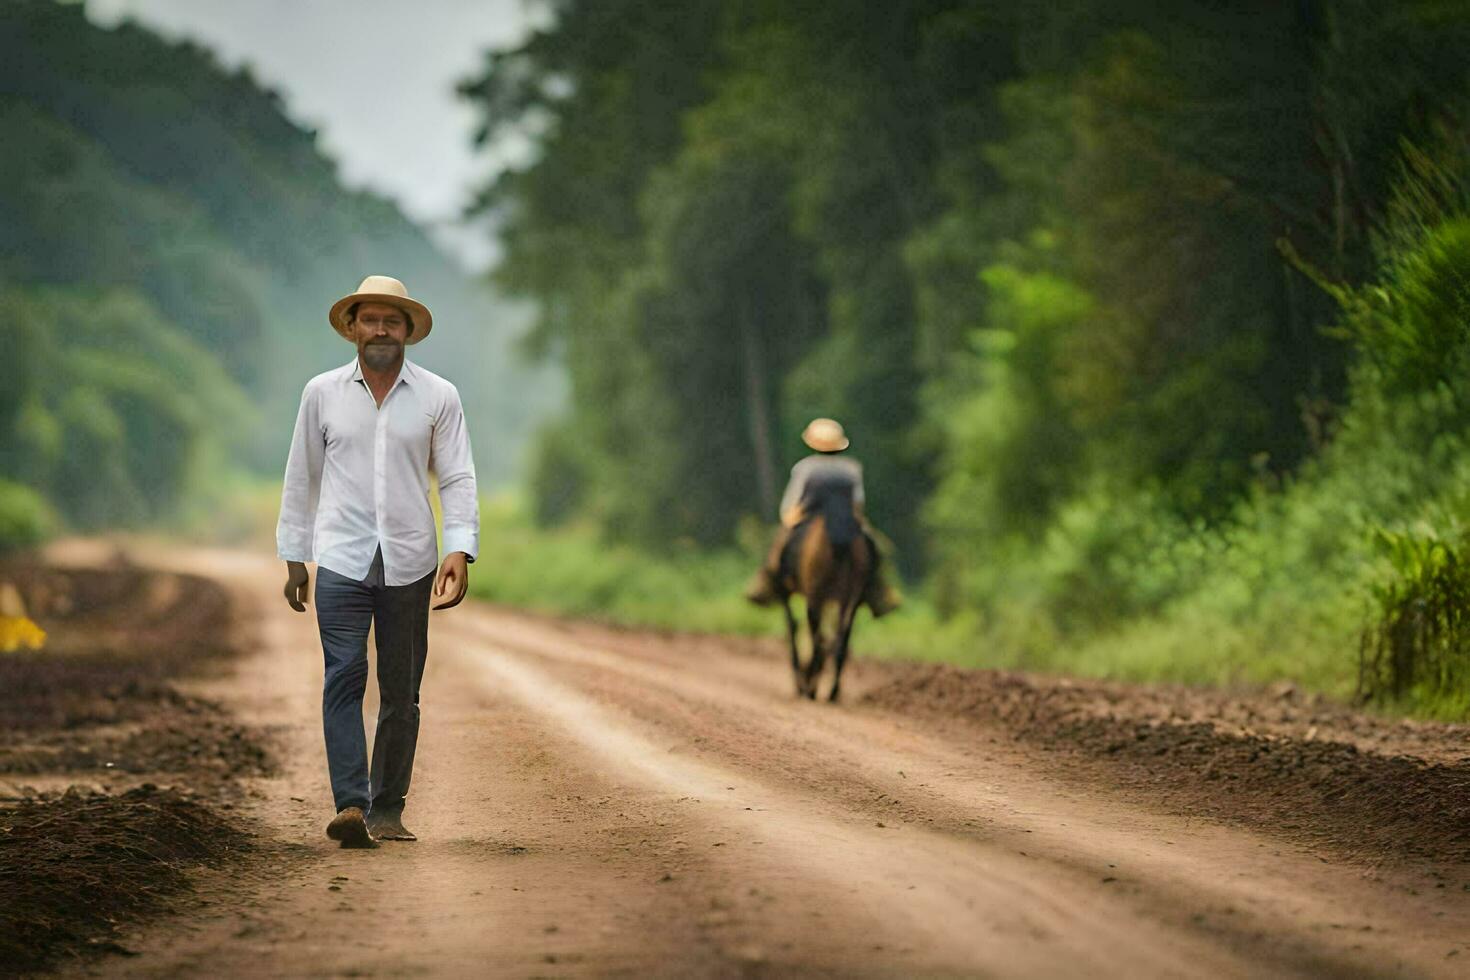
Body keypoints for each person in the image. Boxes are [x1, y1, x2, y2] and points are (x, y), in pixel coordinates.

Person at [276, 275, 479, 849]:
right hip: (340, 557)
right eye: (371, 320)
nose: (381, 329)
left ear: (409, 330)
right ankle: (350, 804)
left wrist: (459, 547)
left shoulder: (440, 396)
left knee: (400, 689)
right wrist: (295, 555)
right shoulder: (321, 393)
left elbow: (458, 474)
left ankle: (388, 808)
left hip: (410, 560)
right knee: (343, 676)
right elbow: (302, 475)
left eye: (393, 320)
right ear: (353, 329)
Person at [743, 418, 901, 617]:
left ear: (813, 444)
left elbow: (793, 499)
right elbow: (858, 501)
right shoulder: (851, 468)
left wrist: (788, 518)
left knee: (778, 544)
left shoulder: (805, 468)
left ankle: (767, 583)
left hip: (808, 516)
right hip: (846, 518)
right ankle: (879, 590)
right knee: (875, 547)